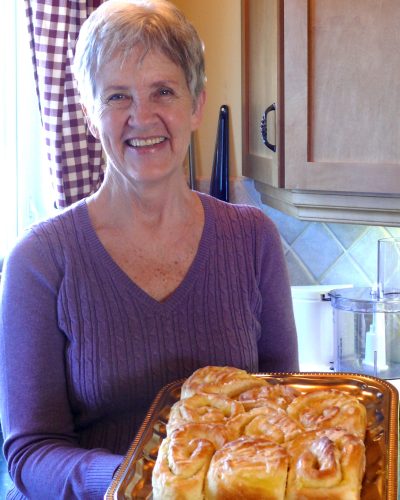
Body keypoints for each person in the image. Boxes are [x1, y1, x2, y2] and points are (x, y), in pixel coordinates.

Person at [0, 0, 299, 498]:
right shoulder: (38, 262)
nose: (143, 117)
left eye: (163, 90)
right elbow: (31, 451)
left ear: (196, 103)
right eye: (117, 96)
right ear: (89, 112)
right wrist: (149, 481)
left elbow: (280, 405)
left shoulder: (253, 239)